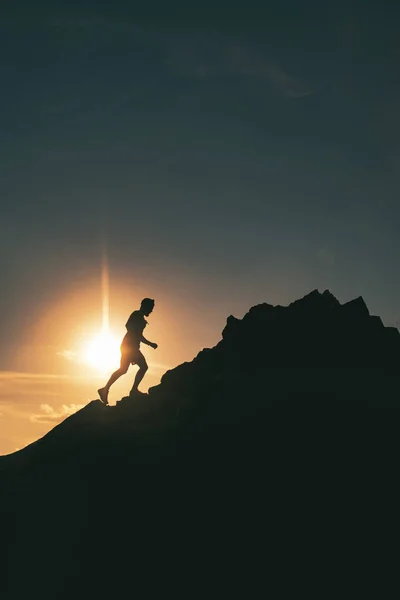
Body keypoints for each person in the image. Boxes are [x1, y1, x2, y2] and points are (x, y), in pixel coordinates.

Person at [98, 298, 158, 405]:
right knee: (143, 367)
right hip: (129, 347)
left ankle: (105, 389)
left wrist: (145, 342)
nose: (151, 311)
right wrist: (150, 343)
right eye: (150, 308)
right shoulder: (136, 314)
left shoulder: (141, 318)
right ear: (145, 306)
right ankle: (133, 390)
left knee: (123, 370)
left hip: (129, 347)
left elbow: (138, 335)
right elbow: (129, 327)